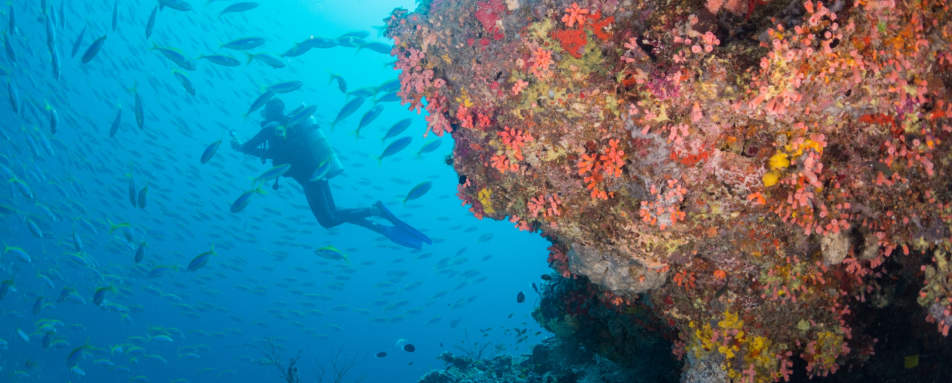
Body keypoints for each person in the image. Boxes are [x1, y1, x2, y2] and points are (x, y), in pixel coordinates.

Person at [231, 98, 432, 250]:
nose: (263, 114)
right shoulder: (289, 125)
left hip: (310, 177)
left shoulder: (271, 127)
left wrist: (238, 145)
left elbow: (249, 147)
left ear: (269, 112)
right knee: (332, 212)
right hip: (318, 171)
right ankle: (376, 224)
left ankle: (375, 211)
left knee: (328, 220)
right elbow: (274, 154)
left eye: (264, 111)